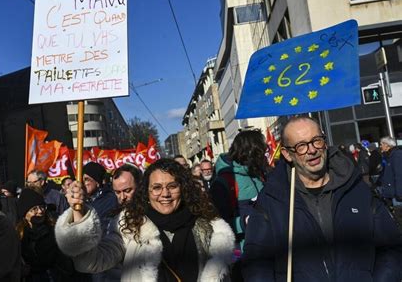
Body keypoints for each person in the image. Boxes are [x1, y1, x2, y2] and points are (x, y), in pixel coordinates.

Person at [243, 116, 401, 281]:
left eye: (316, 141)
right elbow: (256, 264)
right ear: (287, 154)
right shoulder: (272, 200)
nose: (312, 150)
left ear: (324, 142)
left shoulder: (357, 189)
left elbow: (391, 248)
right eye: (301, 146)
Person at [55, 158, 235, 281]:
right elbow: (92, 261)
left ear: (184, 188)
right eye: (156, 187)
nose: (165, 194)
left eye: (172, 186)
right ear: (146, 193)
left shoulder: (207, 226)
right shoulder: (131, 225)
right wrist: (79, 212)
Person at [210, 129, 267, 254]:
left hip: (268, 248)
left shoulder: (260, 173)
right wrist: (244, 222)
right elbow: (216, 225)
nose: (265, 155)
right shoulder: (223, 183)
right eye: (263, 150)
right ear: (251, 151)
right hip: (243, 254)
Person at [16, 188, 74, 282]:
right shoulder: (18, 235)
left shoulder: (55, 230)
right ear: (25, 214)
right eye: (34, 209)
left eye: (42, 207)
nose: (40, 211)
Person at [81, 162, 118, 230]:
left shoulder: (110, 200)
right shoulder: (80, 201)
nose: (83, 183)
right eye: (81, 180)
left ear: (97, 182)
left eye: (87, 179)